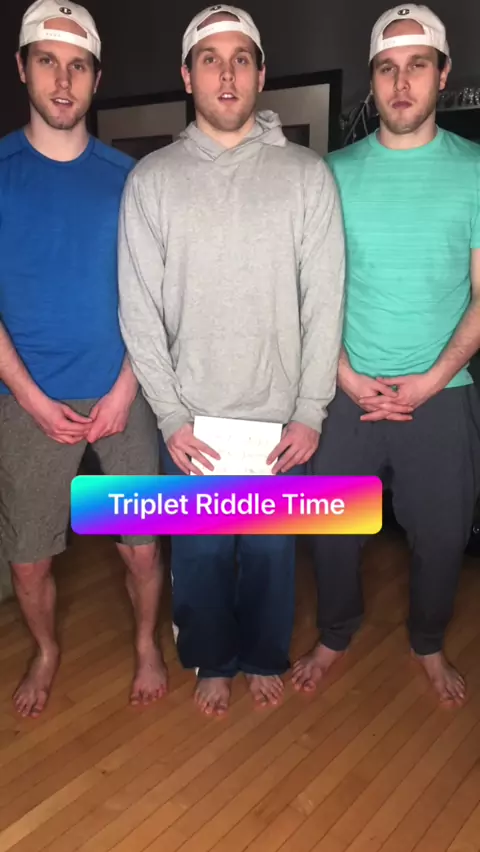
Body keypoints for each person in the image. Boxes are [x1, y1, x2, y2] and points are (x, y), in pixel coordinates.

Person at [118, 4, 345, 716]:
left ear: (261, 74)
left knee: (273, 559)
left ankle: (262, 656)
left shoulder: (306, 176)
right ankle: (212, 660)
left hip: (278, 420)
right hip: (194, 420)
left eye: (240, 58)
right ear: (188, 76)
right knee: (203, 559)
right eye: (210, 59)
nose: (227, 73)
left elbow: (324, 302)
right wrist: (169, 414)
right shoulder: (152, 180)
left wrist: (310, 411)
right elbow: (138, 309)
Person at [292, 4, 480, 705]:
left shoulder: (475, 170)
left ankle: (427, 642)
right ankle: (336, 633)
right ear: (372, 80)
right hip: (348, 391)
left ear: (443, 74)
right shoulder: (331, 174)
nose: (402, 84)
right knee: (331, 533)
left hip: (442, 394)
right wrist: (343, 374)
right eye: (387, 69)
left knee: (442, 537)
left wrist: (431, 380)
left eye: (417, 66)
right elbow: (313, 290)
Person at [0, 0, 167, 718]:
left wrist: (127, 387)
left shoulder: (131, 180)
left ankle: (146, 643)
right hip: (25, 400)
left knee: (141, 546)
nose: (62, 82)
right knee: (29, 558)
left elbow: (153, 298)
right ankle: (46, 651)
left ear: (97, 79)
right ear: (22, 68)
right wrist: (32, 398)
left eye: (77, 66)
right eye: (48, 62)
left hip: (121, 392)